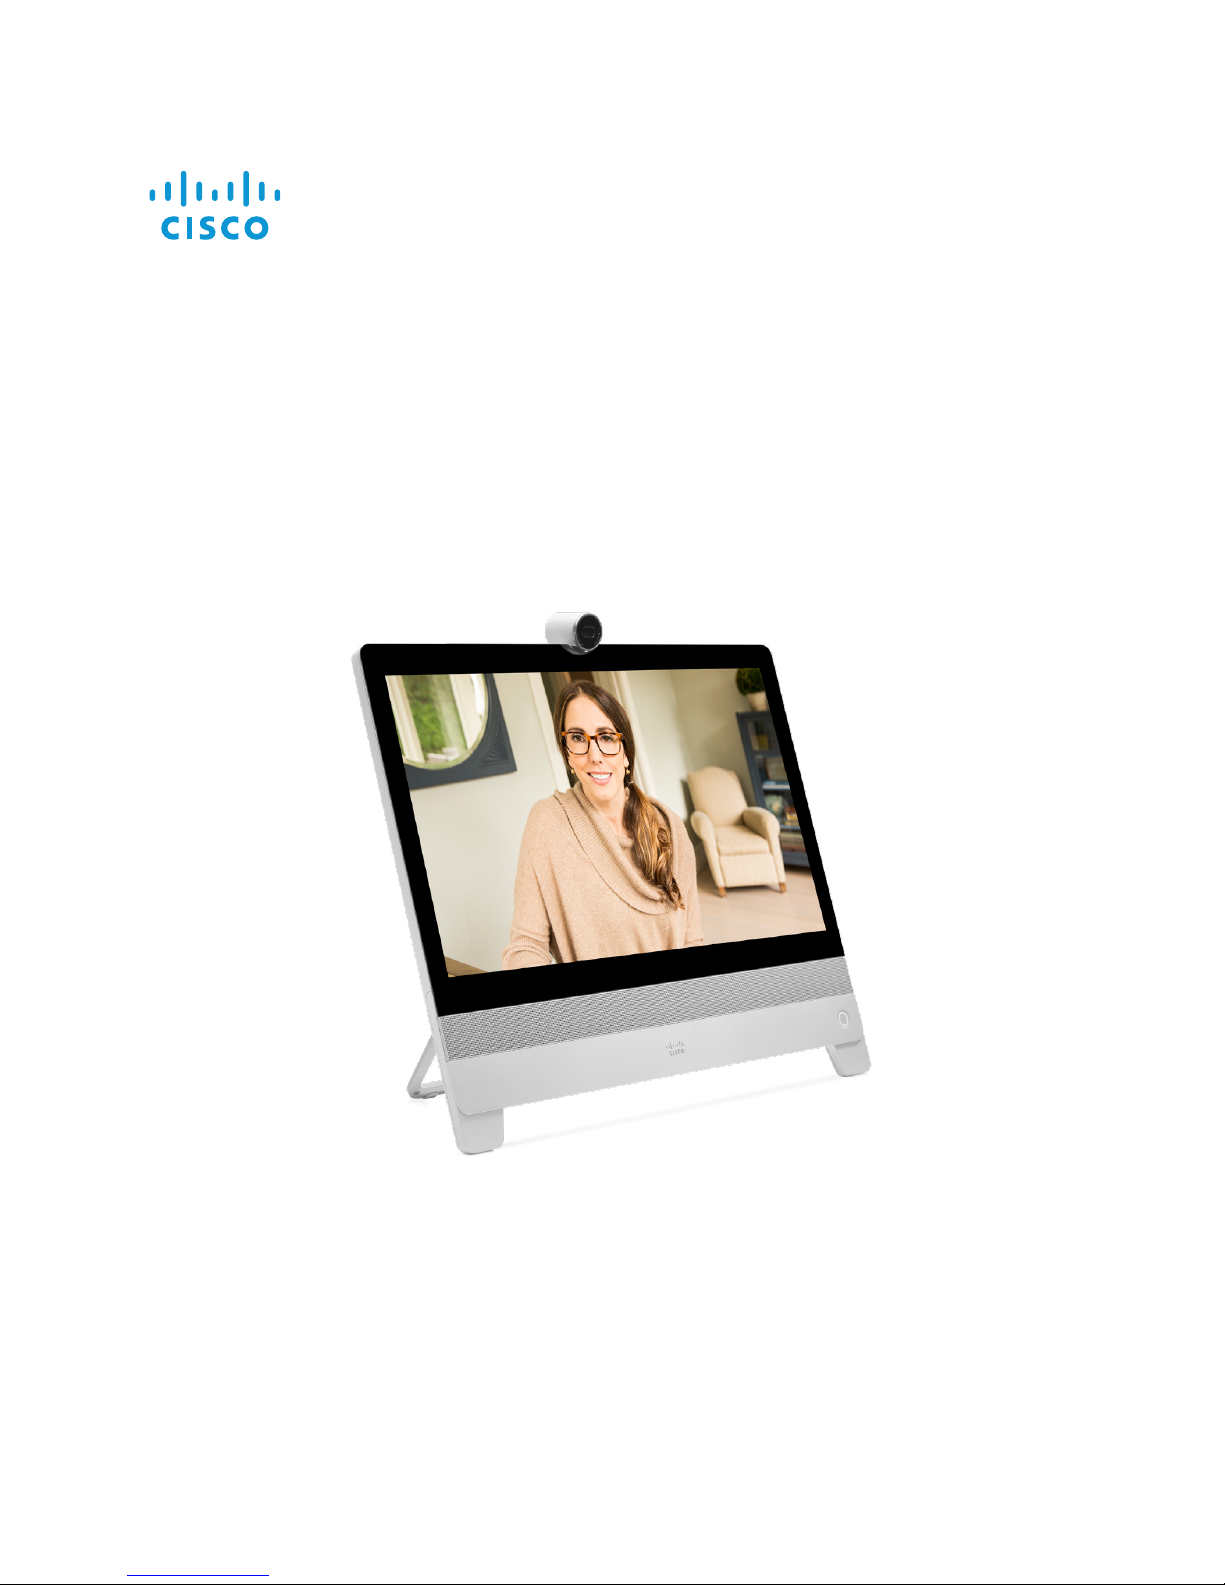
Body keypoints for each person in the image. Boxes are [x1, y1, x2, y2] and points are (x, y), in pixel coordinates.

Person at [502, 681, 703, 968]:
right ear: (567, 753)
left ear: (626, 752)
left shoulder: (670, 828)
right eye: (577, 738)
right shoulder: (547, 823)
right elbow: (526, 947)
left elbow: (692, 939)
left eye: (606, 737)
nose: (594, 756)